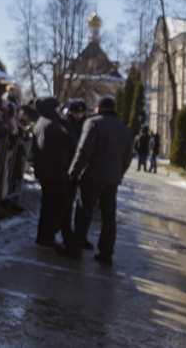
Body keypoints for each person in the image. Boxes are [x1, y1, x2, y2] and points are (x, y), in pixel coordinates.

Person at [58, 96, 133, 266]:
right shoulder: (124, 128)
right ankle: (106, 252)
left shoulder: (93, 123)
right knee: (109, 215)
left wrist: (74, 173)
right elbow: (128, 156)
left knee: (84, 210)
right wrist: (119, 173)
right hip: (112, 179)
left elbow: (84, 151)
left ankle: (75, 247)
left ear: (98, 109)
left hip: (93, 176)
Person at [31, 98, 77, 248]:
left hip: (47, 170)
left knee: (48, 204)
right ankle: (49, 233)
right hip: (54, 171)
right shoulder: (51, 124)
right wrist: (66, 123)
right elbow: (70, 139)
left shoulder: (43, 122)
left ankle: (44, 236)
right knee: (60, 202)